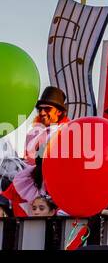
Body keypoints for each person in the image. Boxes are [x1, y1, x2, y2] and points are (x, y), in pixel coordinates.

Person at [1, 87, 67, 216]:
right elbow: (30, 164)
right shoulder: (34, 133)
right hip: (36, 183)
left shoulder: (67, 130)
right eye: (40, 109)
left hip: (58, 187)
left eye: (47, 109)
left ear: (59, 112)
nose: (42, 112)